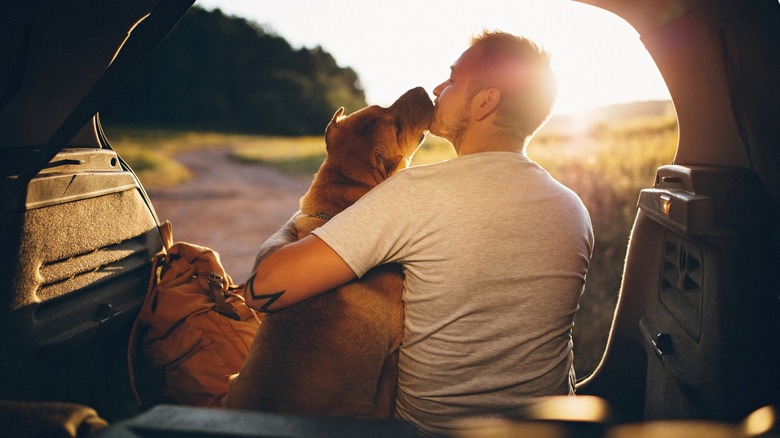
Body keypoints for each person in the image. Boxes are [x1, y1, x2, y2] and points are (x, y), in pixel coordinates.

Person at [243, 30, 594, 435]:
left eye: (452, 79)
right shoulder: (573, 208)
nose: (437, 88)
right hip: (549, 429)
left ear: (485, 101)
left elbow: (261, 289)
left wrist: (301, 222)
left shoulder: (414, 194)